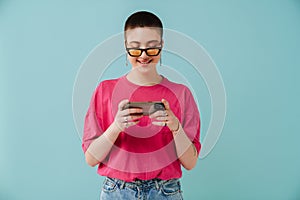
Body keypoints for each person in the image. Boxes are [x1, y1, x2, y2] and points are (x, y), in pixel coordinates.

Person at [82, 11, 201, 200]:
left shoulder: (181, 93)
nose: (144, 56)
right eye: (135, 48)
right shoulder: (105, 91)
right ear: (126, 47)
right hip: (117, 192)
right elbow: (91, 158)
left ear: (162, 46)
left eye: (152, 48)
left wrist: (175, 127)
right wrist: (116, 127)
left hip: (166, 192)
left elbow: (190, 162)